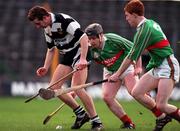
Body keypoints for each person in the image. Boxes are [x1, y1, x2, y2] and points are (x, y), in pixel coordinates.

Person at [27, 6, 103, 131]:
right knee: (53, 88)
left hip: (79, 51)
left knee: (78, 88)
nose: (37, 26)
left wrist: (83, 59)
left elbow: (83, 37)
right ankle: (81, 114)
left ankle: (96, 122)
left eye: (38, 23)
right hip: (67, 55)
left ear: (45, 17)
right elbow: (51, 50)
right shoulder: (47, 28)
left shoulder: (63, 20)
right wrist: (46, 67)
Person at [109, 0, 180, 131]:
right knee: (136, 92)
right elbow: (147, 50)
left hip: (168, 66)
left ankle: (165, 115)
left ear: (135, 15)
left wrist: (117, 74)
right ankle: (162, 118)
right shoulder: (149, 23)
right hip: (158, 66)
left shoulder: (144, 30)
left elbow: (131, 56)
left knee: (161, 105)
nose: (126, 19)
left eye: (127, 15)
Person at [84, 23, 169, 130]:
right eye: (89, 39)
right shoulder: (89, 48)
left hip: (126, 68)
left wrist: (138, 67)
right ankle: (128, 123)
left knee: (135, 92)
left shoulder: (113, 39)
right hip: (110, 70)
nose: (91, 42)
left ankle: (161, 116)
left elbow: (135, 49)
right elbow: (86, 65)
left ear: (101, 35)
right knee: (107, 97)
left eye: (93, 39)